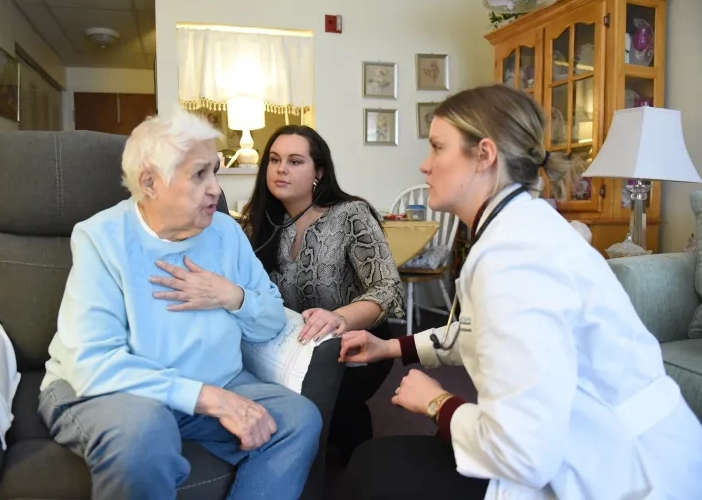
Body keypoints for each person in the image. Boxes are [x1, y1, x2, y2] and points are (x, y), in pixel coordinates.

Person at [338, 84, 702, 499]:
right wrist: (390, 349)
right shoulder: (522, 227)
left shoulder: (513, 258)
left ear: (484, 155)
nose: (425, 165)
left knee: (373, 471)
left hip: (623, 473)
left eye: (437, 148)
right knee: (377, 464)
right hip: (602, 443)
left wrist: (437, 402)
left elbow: (524, 452)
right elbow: (483, 332)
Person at [38, 109, 322, 500]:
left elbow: (272, 321)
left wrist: (231, 296)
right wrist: (209, 398)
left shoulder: (225, 232)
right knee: (144, 433)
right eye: (199, 174)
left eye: (215, 172)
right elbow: (92, 363)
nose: (216, 190)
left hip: (216, 381)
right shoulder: (101, 237)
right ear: (150, 183)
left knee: (298, 419)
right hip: (114, 391)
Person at [157, 124, 404, 463]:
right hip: (288, 343)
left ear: (319, 172)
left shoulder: (350, 215)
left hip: (356, 344)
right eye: (274, 160)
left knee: (335, 418)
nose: (281, 169)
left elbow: (387, 288)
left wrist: (339, 318)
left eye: (295, 161)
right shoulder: (258, 223)